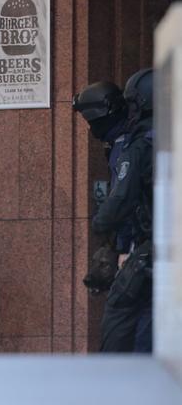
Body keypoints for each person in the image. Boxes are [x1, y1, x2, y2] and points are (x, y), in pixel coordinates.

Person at [73, 69, 153, 353]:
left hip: (149, 250)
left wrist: (111, 238)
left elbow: (122, 202)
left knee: (122, 321)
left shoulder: (136, 146)